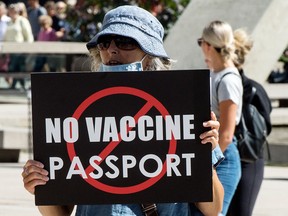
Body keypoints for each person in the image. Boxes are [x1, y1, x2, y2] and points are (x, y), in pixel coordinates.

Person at [22, 5, 224, 216]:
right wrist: (40, 186)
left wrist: (204, 156)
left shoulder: (183, 110)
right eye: (104, 42)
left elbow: (213, 208)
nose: (112, 50)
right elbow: (60, 212)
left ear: (150, 55)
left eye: (125, 42)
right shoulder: (74, 112)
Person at [197, 20, 242, 215]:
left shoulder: (228, 79)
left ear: (207, 45)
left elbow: (226, 134)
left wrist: (207, 161)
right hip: (215, 154)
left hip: (223, 157)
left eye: (200, 42)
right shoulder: (216, 74)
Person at [227, 29, 272, 216]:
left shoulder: (253, 89)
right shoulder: (214, 84)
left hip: (248, 159)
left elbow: (264, 127)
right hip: (226, 158)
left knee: (240, 212)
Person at [4, 3, 34, 90]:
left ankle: (17, 86)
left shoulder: (23, 21)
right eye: (11, 11)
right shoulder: (8, 22)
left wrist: (28, 49)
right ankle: (18, 85)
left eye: (14, 11)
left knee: (18, 67)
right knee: (13, 68)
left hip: (21, 50)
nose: (12, 12)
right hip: (11, 51)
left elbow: (28, 36)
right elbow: (6, 36)